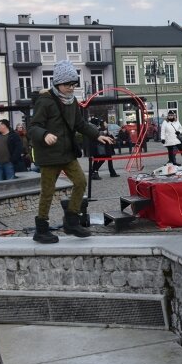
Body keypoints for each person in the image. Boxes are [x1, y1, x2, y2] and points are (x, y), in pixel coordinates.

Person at [28, 60, 113, 243]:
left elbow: (80, 124)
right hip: (49, 155)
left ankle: (71, 220)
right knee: (47, 192)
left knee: (81, 182)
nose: (71, 88)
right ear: (58, 83)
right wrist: (45, 135)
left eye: (74, 84)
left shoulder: (72, 101)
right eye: (68, 85)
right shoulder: (45, 101)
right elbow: (33, 127)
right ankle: (41, 229)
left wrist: (97, 135)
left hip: (67, 153)